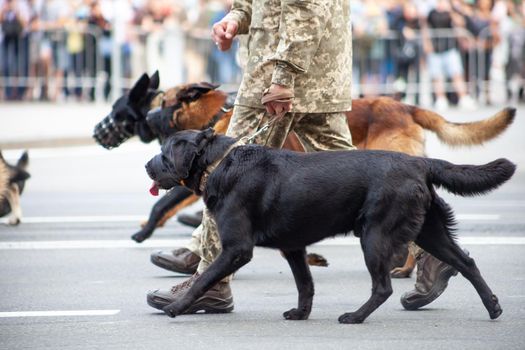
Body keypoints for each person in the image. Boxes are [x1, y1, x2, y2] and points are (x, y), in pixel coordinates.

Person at [147, 0, 355, 314]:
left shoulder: (282, 75)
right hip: (313, 77)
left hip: (278, 78)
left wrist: (283, 77)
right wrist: (235, 17)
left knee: (220, 175)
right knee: (362, 179)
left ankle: (211, 281)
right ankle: (427, 245)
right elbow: (254, 5)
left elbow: (305, 9)